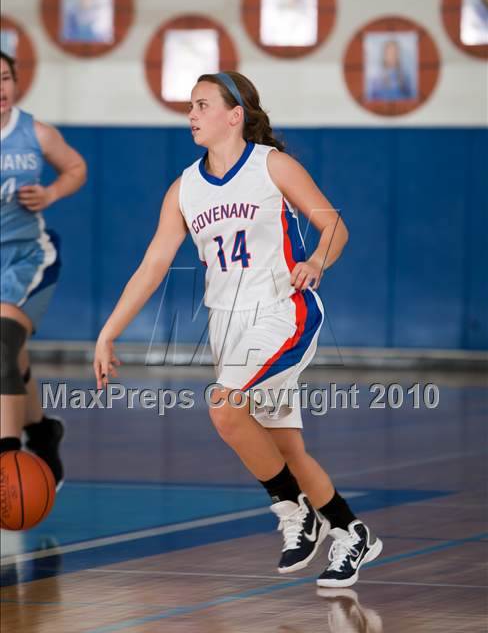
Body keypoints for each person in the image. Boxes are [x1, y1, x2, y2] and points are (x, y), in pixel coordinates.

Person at [93, 71, 382, 587]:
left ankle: (292, 508)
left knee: (224, 407)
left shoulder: (272, 165)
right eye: (190, 106)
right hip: (227, 326)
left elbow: (334, 225)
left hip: (281, 311)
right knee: (286, 450)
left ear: (234, 115)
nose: (191, 115)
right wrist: (108, 331)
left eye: (202, 105)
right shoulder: (184, 188)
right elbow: (153, 265)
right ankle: (349, 530)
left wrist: (317, 259)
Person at [0, 51, 87, 488]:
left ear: (16, 82)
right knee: (11, 354)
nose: (0, 88)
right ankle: (41, 430)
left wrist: (50, 194)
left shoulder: (35, 132)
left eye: (4, 78)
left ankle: (6, 460)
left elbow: (76, 168)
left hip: (25, 257)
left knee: (2, 345)